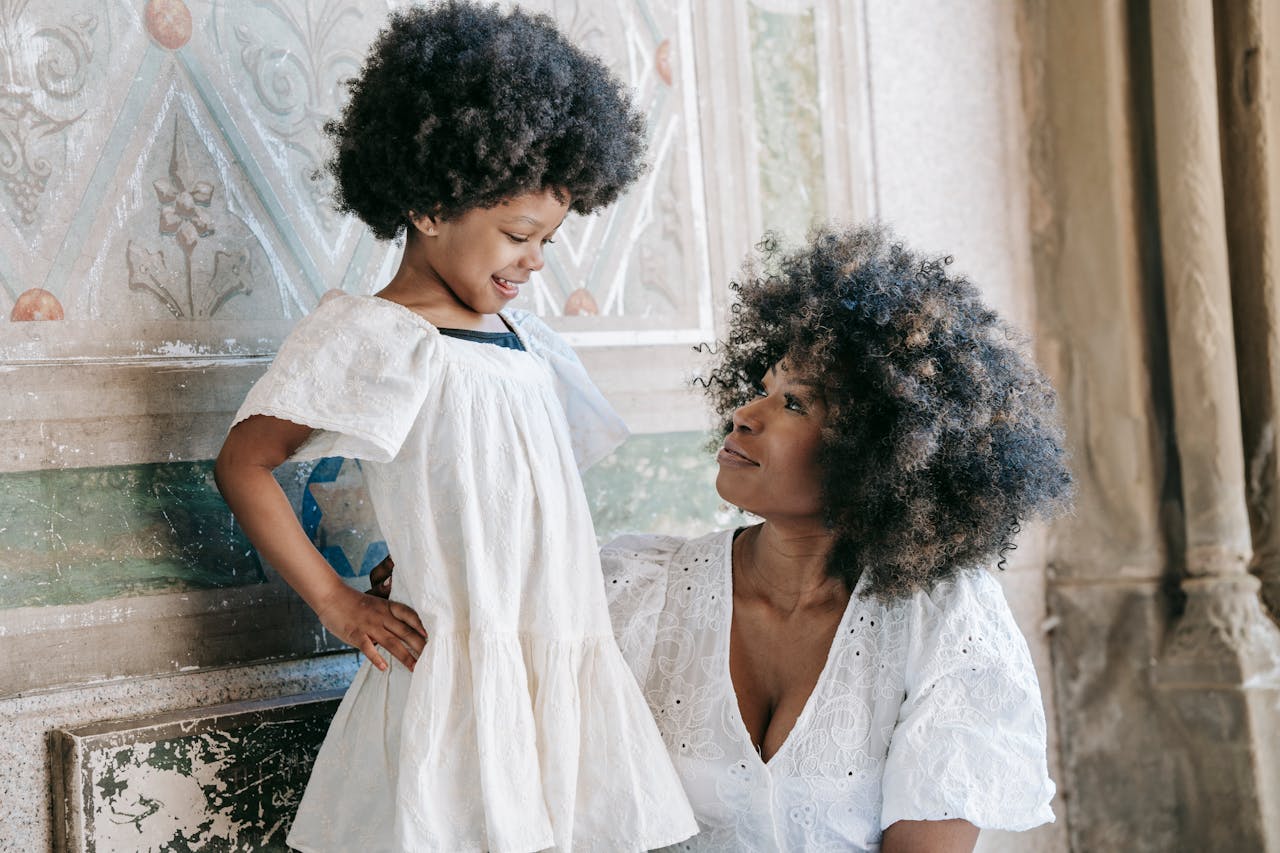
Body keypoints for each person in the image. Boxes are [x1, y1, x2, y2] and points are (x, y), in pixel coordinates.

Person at [370, 222, 1072, 852]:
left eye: (794, 402)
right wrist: (439, 566)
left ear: (883, 449)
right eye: (761, 387)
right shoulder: (636, 589)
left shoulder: (943, 620)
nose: (744, 413)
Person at [213, 4, 697, 851]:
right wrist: (336, 600)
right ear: (433, 205)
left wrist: (438, 533)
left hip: (554, 645)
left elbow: (508, 488)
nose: (536, 261)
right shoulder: (380, 335)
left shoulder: (526, 342)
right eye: (518, 234)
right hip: (457, 669)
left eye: (548, 238)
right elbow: (245, 462)